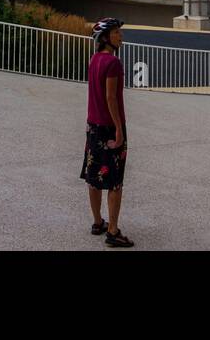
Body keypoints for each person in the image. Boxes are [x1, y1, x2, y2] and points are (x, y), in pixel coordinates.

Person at [80, 17, 133, 247]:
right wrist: (119, 129)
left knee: (93, 178)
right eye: (116, 33)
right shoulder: (113, 63)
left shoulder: (94, 59)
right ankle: (112, 230)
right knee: (114, 181)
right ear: (105, 38)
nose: (120, 37)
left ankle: (98, 222)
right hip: (110, 128)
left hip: (93, 126)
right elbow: (111, 98)